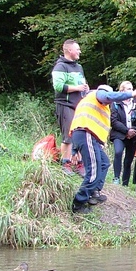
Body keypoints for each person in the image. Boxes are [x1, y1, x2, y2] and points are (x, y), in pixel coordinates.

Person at [70, 84, 136, 213]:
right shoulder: (97, 95)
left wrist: (75, 150)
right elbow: (107, 96)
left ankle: (94, 192)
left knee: (104, 163)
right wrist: (131, 94)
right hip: (85, 133)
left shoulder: (99, 105)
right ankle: (79, 202)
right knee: (93, 171)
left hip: (87, 136)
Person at [52, 39, 88, 175]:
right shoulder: (60, 67)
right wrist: (77, 87)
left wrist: (85, 87)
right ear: (69, 50)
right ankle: (65, 163)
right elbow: (58, 86)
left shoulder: (79, 67)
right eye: (77, 49)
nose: (79, 51)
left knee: (78, 134)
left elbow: (82, 83)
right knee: (68, 135)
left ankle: (78, 163)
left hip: (78, 105)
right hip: (64, 104)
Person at [109, 81, 136, 186]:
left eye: (131, 89)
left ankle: (125, 183)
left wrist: (133, 130)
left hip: (134, 134)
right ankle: (116, 178)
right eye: (128, 89)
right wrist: (127, 131)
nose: (130, 91)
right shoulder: (115, 103)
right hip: (119, 134)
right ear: (122, 91)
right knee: (118, 152)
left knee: (129, 159)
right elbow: (113, 121)